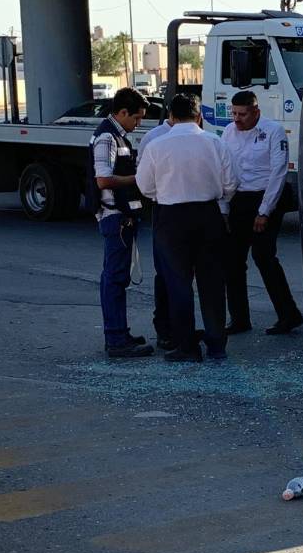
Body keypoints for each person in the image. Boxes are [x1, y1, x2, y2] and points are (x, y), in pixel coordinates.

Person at [136, 94, 236, 362]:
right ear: (199, 115)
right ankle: (217, 344)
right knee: (212, 282)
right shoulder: (215, 142)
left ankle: (187, 346)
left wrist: (166, 193)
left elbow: (145, 187)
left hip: (171, 217)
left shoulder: (156, 146)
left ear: (170, 117)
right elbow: (231, 183)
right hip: (208, 214)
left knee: (178, 283)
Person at [222, 91, 303, 335]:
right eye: (234, 113)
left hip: (266, 197)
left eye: (242, 114)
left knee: (263, 256)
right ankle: (239, 319)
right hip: (239, 198)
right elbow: (225, 168)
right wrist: (225, 206)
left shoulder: (273, 131)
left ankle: (288, 315)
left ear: (256, 111)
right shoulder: (228, 132)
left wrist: (264, 211)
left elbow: (278, 173)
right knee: (233, 261)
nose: (237, 119)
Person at [93, 87, 153, 358]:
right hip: (114, 217)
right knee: (114, 280)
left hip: (120, 216)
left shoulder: (118, 135)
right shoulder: (107, 137)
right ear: (122, 112)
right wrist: (138, 179)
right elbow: (104, 180)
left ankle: (120, 333)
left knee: (117, 278)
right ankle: (116, 340)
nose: (138, 123)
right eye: (136, 118)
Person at [138, 116, 175, 351]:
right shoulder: (153, 138)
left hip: (166, 207)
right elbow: (145, 180)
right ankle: (166, 330)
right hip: (167, 208)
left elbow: (144, 184)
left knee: (173, 274)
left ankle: (177, 329)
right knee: (166, 274)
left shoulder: (205, 138)